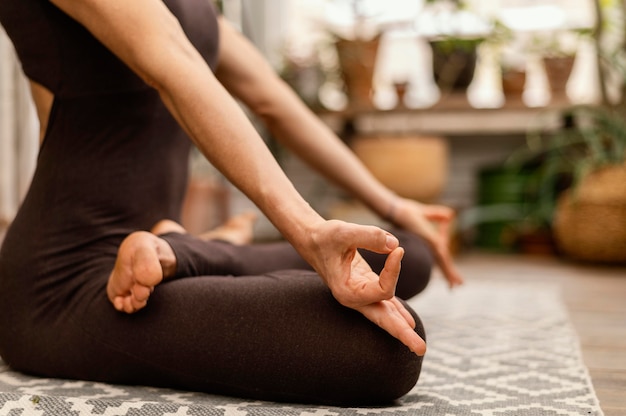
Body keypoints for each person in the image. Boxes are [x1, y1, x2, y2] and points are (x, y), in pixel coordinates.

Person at [0, 0, 463, 406]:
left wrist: (396, 207)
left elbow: (275, 102)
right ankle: (185, 252)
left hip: (146, 257)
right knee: (388, 351)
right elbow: (172, 64)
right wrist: (309, 231)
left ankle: (182, 252)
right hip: (64, 283)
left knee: (401, 252)